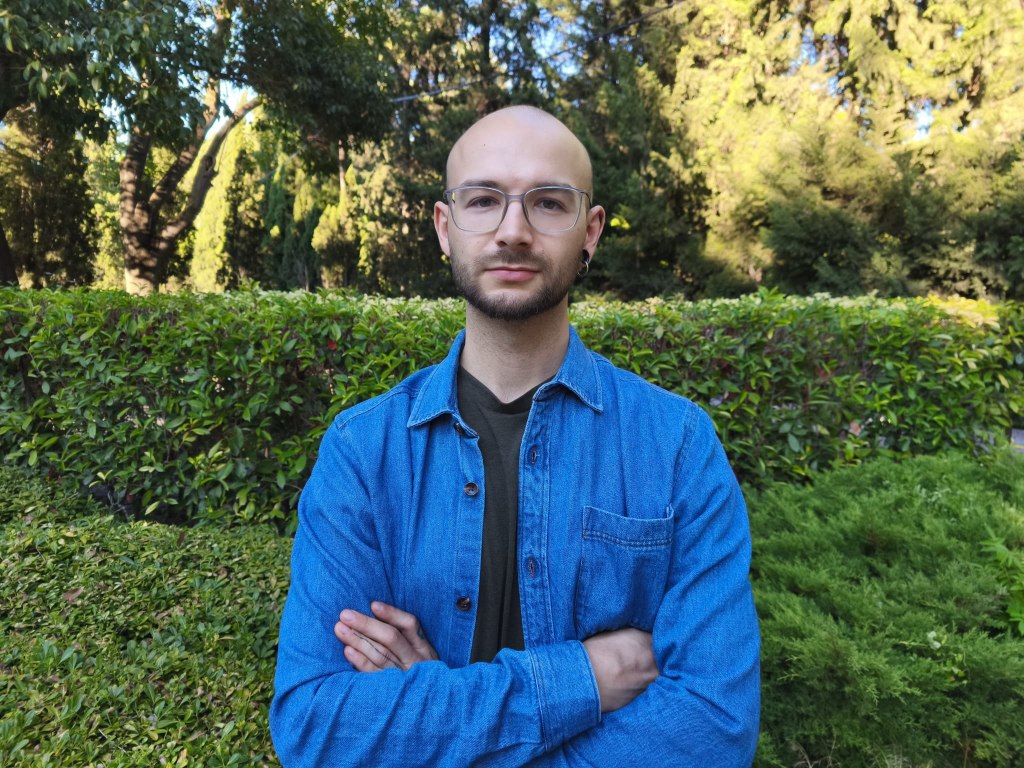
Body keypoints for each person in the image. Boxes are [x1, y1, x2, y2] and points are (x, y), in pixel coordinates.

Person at [270, 105, 760, 766]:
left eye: (548, 203)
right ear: (445, 228)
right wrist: (583, 679)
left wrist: (434, 714)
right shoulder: (364, 452)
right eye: (483, 200)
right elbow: (315, 725)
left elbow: (715, 729)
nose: (513, 231)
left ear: (590, 232)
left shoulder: (676, 447)